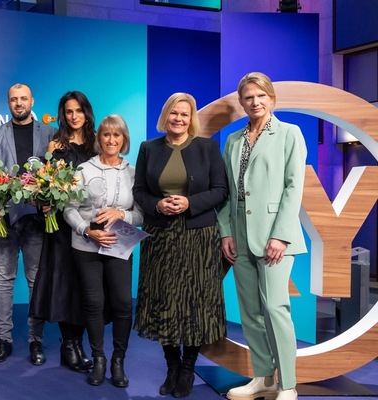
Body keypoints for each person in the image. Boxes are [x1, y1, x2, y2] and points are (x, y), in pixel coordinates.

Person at [132, 92, 228, 398]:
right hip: (160, 235)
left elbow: (220, 190)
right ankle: (171, 367)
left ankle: (188, 368)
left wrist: (188, 202)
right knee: (165, 302)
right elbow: (139, 191)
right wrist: (158, 206)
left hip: (198, 236)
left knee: (195, 303)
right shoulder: (149, 148)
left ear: (192, 118)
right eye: (174, 113)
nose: (178, 119)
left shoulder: (208, 147)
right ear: (166, 116)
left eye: (184, 115)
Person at [220, 72, 306, 400]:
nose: (255, 103)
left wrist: (281, 236)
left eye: (261, 96)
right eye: (248, 98)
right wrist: (226, 232)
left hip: (274, 235)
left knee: (275, 308)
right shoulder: (233, 140)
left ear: (271, 98)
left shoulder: (289, 134)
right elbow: (229, 192)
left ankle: (287, 384)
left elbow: (293, 186)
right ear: (241, 103)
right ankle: (262, 377)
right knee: (250, 311)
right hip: (240, 234)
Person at [65, 114, 143, 387]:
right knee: (94, 303)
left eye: (117, 135)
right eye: (106, 135)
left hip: (120, 244)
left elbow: (140, 213)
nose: (111, 140)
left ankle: (117, 361)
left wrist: (122, 213)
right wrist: (87, 230)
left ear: (124, 140)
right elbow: (69, 209)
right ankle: (98, 358)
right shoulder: (83, 170)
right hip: (86, 244)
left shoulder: (134, 172)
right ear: (99, 138)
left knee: (122, 302)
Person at [0, 83, 56, 365]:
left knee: (35, 281)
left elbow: (56, 175)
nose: (18, 103)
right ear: (8, 103)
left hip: (37, 220)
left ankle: (35, 341)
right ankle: (4, 339)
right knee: (3, 281)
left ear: (32, 101)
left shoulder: (49, 134)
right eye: (13, 99)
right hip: (4, 219)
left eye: (23, 98)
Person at [29, 91, 95, 372]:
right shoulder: (55, 144)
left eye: (78, 110)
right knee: (65, 285)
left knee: (84, 285)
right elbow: (42, 183)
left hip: (90, 225)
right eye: (68, 111)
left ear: (86, 112)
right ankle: (68, 345)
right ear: (63, 114)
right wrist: (44, 203)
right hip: (60, 227)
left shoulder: (96, 143)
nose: (74, 116)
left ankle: (79, 344)